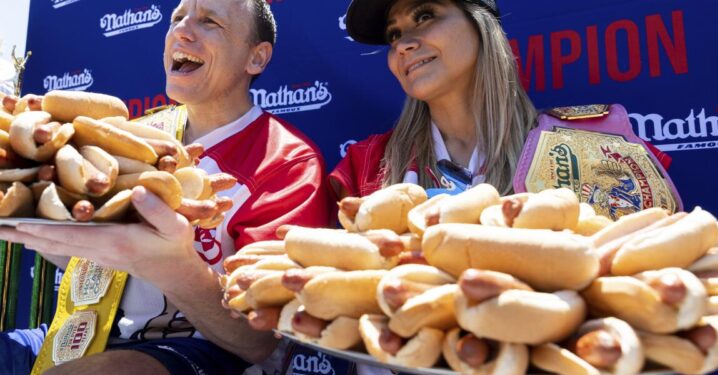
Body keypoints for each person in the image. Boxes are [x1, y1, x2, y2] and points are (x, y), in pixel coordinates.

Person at [0, 0, 332, 374]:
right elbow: (93, 258)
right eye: (177, 18)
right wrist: (32, 223)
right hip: (80, 333)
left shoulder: (286, 160)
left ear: (255, 58)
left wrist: (170, 265)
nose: (182, 31)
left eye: (209, 22)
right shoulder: (139, 133)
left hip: (207, 352)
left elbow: (257, 340)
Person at [331, 0, 538, 200]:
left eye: (424, 16)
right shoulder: (366, 164)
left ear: (479, 22)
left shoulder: (562, 145)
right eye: (394, 35)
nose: (403, 44)